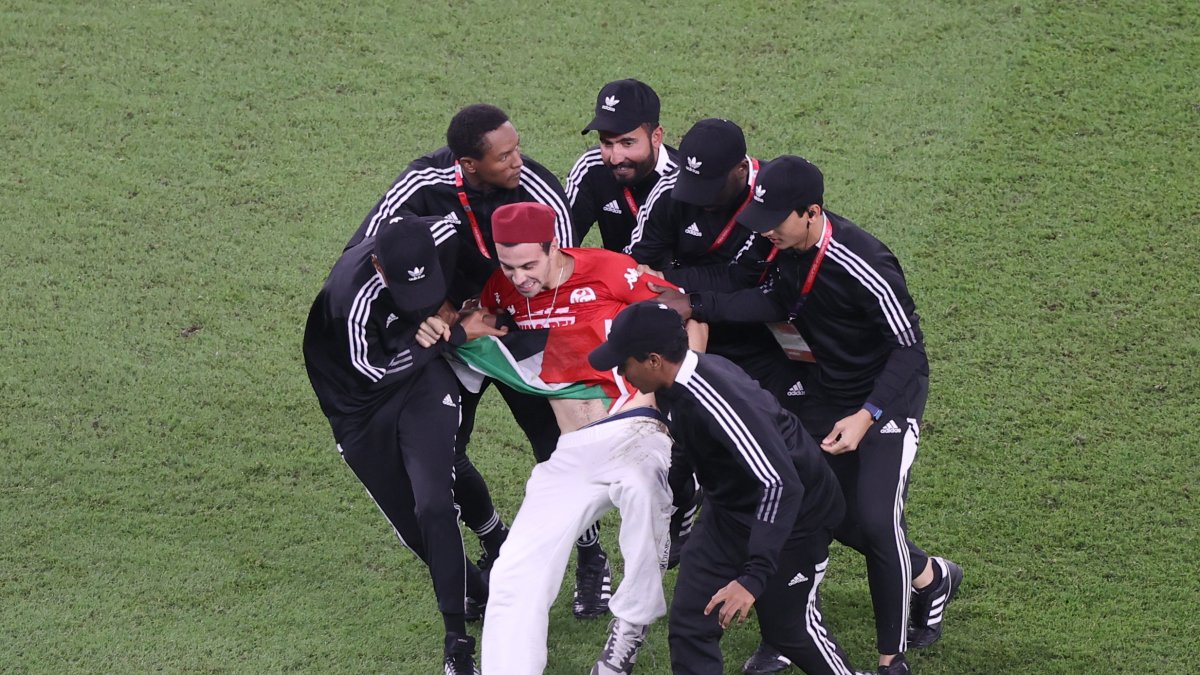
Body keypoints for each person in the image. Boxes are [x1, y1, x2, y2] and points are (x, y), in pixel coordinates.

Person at [654, 156, 963, 675]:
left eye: (775, 221)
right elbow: (769, 298)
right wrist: (696, 303)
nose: (765, 231)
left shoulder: (864, 262)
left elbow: (909, 350)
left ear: (812, 213)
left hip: (886, 398)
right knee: (817, 506)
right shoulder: (780, 243)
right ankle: (927, 578)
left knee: (877, 521)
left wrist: (867, 415)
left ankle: (892, 661)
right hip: (824, 391)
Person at [420, 202, 679, 675]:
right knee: (514, 571)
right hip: (573, 452)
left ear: (552, 246)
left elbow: (680, 312)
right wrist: (445, 325)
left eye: (529, 265)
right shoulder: (501, 290)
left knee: (646, 498)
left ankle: (629, 628)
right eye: (508, 266)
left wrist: (679, 397)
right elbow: (474, 324)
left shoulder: (609, 269)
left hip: (634, 429)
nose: (518, 278)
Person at [348, 103, 591, 597]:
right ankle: (493, 535)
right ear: (468, 165)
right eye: (504, 156)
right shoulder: (423, 182)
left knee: (555, 444)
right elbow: (375, 251)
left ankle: (590, 557)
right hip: (459, 338)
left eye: (517, 148)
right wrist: (439, 312)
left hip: (522, 328)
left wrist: (499, 317)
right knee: (445, 450)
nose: (519, 160)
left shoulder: (539, 192)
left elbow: (557, 279)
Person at [589, 302, 866, 675]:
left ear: (654, 360)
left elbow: (780, 484)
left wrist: (753, 578)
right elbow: (688, 443)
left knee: (788, 629)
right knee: (691, 623)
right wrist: (667, 496)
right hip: (731, 509)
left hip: (794, 518)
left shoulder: (717, 400)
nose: (621, 374)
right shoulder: (672, 385)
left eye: (624, 364)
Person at [302, 216, 507, 674]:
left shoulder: (442, 234)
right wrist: (453, 334)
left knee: (434, 503)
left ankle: (457, 645)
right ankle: (481, 590)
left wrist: (456, 313)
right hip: (359, 406)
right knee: (414, 526)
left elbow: (477, 272)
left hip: (420, 383)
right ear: (379, 266)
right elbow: (376, 373)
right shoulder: (347, 302)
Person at [627, 118, 811, 413]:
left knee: (778, 412)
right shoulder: (670, 189)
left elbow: (744, 278)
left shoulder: (773, 200)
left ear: (741, 169)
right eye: (692, 186)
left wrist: (670, 280)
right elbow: (638, 262)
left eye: (709, 187)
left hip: (761, 326)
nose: (698, 198)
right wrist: (660, 282)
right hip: (691, 317)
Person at [565, 79, 679, 251]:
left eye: (627, 143)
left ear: (656, 137)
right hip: (617, 267)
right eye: (607, 143)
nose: (615, 158)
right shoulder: (591, 167)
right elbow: (561, 240)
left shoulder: (683, 183)